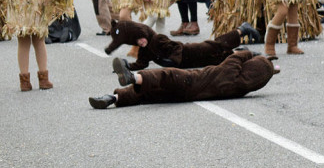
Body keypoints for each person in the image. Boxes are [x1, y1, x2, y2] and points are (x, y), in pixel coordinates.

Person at [88, 49, 279, 109]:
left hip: (190, 80)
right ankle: (113, 99)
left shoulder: (230, 73)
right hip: (186, 96)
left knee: (165, 75)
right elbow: (260, 73)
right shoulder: (240, 86)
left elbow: (236, 57)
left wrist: (252, 53)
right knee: (151, 94)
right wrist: (270, 68)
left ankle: (133, 76)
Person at [104, 19, 260, 70]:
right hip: (191, 63)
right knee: (220, 61)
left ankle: (242, 29)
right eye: (137, 41)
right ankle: (245, 54)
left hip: (191, 52)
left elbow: (176, 47)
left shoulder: (157, 39)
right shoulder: (145, 50)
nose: (141, 41)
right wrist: (126, 67)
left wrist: (174, 60)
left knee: (217, 45)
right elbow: (141, 64)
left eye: (141, 37)